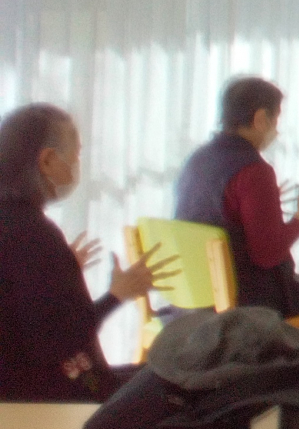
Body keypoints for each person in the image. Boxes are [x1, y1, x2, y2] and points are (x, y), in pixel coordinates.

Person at [174, 77, 299, 357]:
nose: (277, 129)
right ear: (261, 118)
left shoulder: (197, 160)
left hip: (197, 296)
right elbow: (268, 253)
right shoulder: (254, 170)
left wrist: (269, 207)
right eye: (276, 119)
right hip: (247, 299)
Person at [0, 104, 173, 402]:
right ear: (47, 160)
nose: (77, 164)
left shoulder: (19, 228)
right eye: (76, 154)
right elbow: (59, 340)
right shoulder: (35, 234)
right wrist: (116, 295)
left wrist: (60, 272)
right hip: (51, 398)